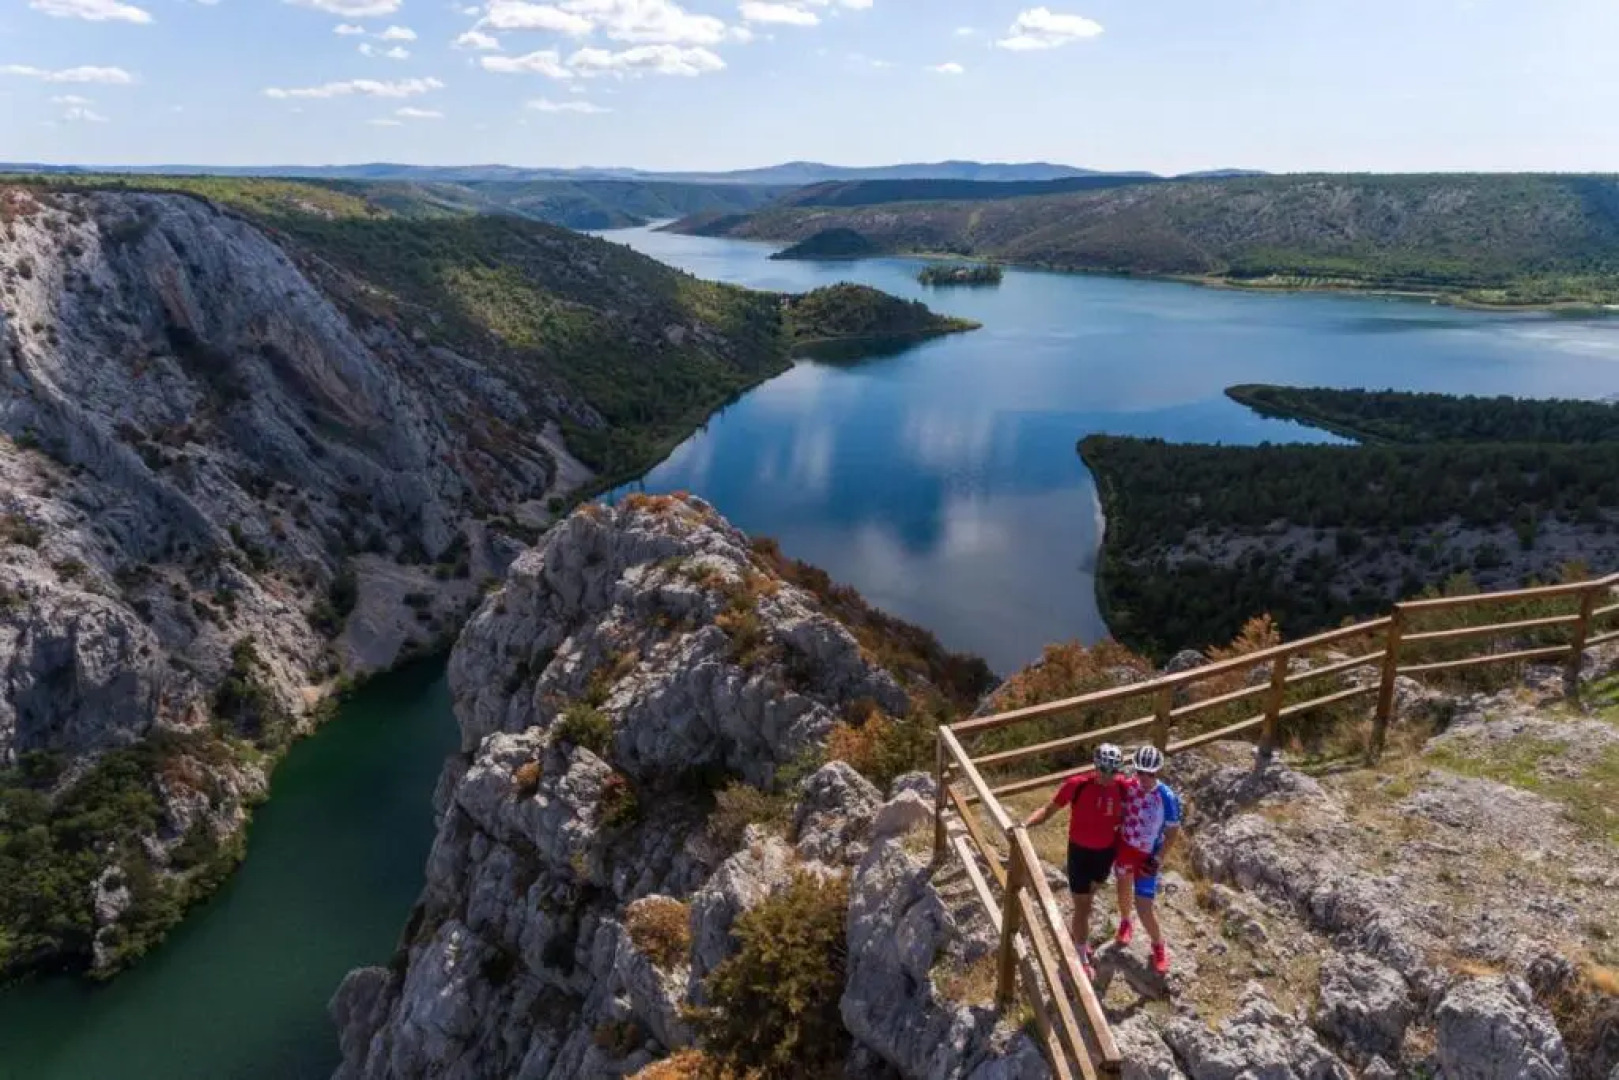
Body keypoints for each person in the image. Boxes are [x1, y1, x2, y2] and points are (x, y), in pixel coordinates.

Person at [1022, 742, 1136, 976]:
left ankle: (1079, 938)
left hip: (1105, 854)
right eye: (1103, 769)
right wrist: (1023, 825)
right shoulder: (1078, 785)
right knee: (1082, 906)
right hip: (1080, 853)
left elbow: (1145, 792)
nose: (1107, 775)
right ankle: (1081, 955)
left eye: (1113, 770)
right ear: (1096, 766)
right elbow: (1048, 809)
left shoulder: (1123, 788)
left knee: (1088, 902)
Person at [1111, 744, 1182, 974]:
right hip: (1125, 849)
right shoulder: (1128, 786)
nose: (1144, 778)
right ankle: (1124, 921)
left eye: (1150, 773)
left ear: (1158, 772)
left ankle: (1158, 944)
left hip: (1148, 856)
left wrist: (1159, 859)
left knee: (1144, 908)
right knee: (1123, 891)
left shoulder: (1167, 797)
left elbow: (1172, 832)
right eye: (1140, 772)